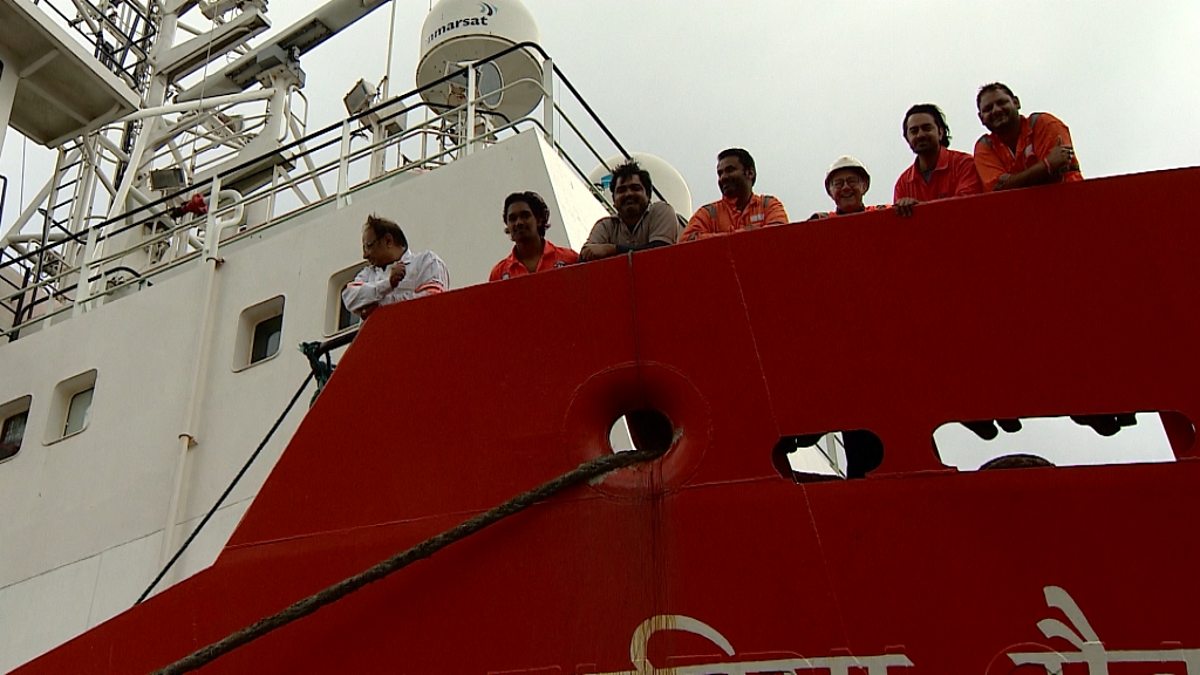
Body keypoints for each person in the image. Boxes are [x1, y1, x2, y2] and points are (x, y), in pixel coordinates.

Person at [973, 82, 1082, 191]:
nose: (996, 110)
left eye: (1001, 103)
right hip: (1020, 207)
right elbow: (997, 189)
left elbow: (1057, 173)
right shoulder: (985, 146)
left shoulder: (1043, 123)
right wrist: (1047, 165)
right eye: (988, 109)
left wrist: (1011, 181)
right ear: (981, 118)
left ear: (1016, 103)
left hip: (1069, 199)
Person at [342, 214, 449, 319]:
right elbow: (349, 297)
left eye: (369, 246)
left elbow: (433, 299)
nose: (365, 255)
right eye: (364, 249)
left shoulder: (426, 261)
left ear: (388, 241)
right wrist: (387, 284)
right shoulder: (368, 273)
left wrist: (378, 307)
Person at [679, 148, 788, 242]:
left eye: (730, 170)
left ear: (750, 173)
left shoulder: (768, 204)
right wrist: (744, 234)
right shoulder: (708, 212)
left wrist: (727, 238)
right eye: (720, 173)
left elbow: (779, 234)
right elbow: (687, 241)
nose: (723, 177)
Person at [893, 104, 984, 217]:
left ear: (940, 132)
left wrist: (920, 209)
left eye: (926, 128)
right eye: (914, 131)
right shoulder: (903, 183)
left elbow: (966, 206)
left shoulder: (964, 164)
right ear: (907, 138)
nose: (920, 135)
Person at [580, 160, 679, 260]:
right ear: (613, 200)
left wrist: (613, 249)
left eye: (635, 188)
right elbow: (586, 254)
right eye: (621, 190)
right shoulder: (606, 226)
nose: (628, 194)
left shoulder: (660, 211)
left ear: (648, 195)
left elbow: (660, 251)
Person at [489, 191, 579, 281]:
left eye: (525, 216)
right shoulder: (499, 274)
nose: (518, 222)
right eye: (512, 219)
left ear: (539, 220)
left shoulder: (570, 259)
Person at [809, 156, 888, 219]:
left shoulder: (884, 214)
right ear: (830, 191)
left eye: (852, 181)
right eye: (838, 183)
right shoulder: (820, 224)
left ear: (864, 186)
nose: (845, 187)